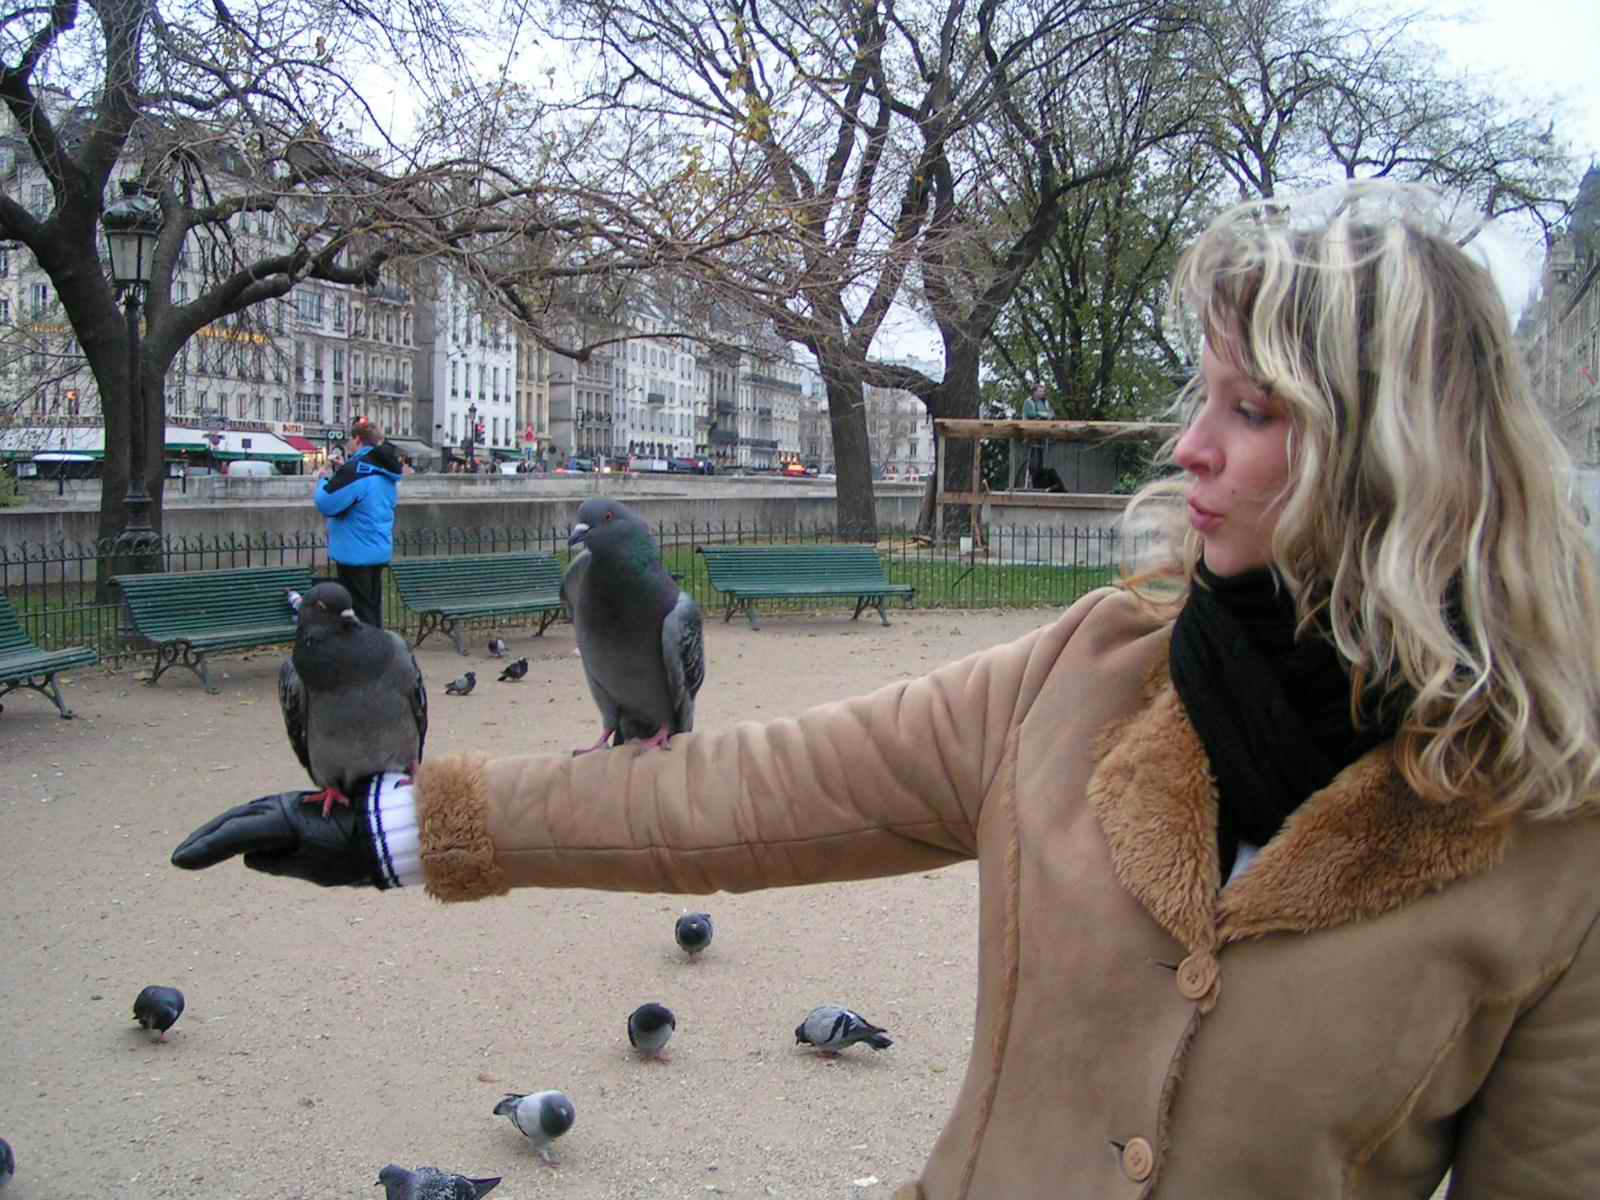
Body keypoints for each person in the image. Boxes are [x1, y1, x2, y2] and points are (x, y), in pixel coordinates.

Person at [172, 182, 1600, 1197]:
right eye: (1201, 397)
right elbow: (754, 792)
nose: (1190, 449)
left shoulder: (1560, 837)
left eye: (1253, 409)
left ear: (1391, 449)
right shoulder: (1087, 671)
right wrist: (402, 827)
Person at [313, 417, 402, 628]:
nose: (348, 444)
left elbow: (326, 503)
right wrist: (343, 470)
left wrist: (322, 480)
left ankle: (367, 647)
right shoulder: (384, 471)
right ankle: (378, 644)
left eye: (350, 439)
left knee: (359, 613)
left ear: (357, 440)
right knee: (371, 608)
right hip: (377, 548)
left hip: (355, 550)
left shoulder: (356, 471)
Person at [1011, 381, 1051, 488]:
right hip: (1031, 433)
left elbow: (1050, 414)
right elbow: (1031, 414)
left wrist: (1045, 415)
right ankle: (1032, 478)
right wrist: (1042, 415)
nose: (1042, 393)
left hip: (1042, 433)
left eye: (1043, 391)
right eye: (1040, 391)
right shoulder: (1028, 402)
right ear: (1034, 392)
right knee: (1033, 458)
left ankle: (1040, 479)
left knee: (1041, 457)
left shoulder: (1045, 402)